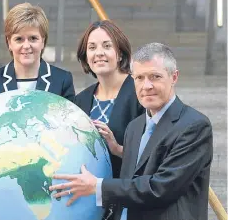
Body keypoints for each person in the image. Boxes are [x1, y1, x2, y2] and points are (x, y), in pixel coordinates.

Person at [50, 43, 213, 220]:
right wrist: (119, 151)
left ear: (174, 77)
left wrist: (97, 186)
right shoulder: (134, 127)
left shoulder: (194, 126)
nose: (147, 85)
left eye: (155, 77)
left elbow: (160, 189)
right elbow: (131, 181)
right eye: (140, 78)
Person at [74, 20, 145, 178]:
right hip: (88, 194)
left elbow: (154, 154)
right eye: (92, 47)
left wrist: (118, 149)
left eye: (107, 46)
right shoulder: (80, 100)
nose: (99, 53)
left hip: (128, 192)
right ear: (86, 56)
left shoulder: (141, 92)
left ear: (120, 54)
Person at [0, 2, 75, 105]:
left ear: (43, 41)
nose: (26, 46)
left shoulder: (62, 80)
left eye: (33, 38)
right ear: (9, 43)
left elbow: (69, 120)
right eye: (19, 39)